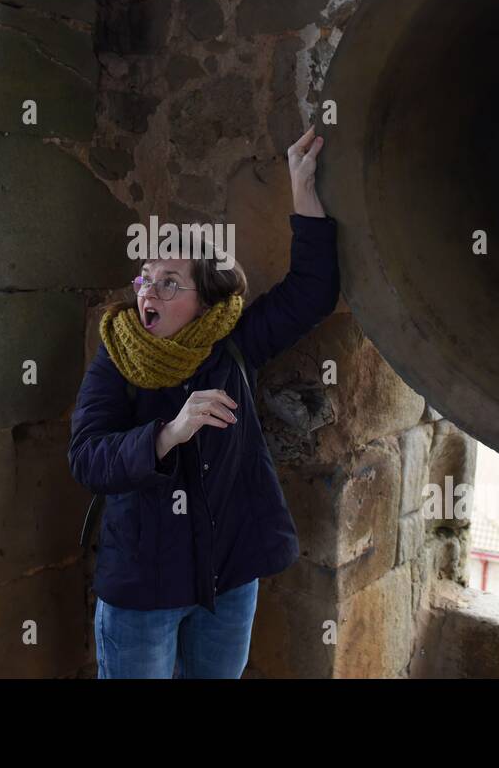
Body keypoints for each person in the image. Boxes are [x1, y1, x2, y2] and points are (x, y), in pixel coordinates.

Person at [68, 127, 340, 678]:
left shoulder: (231, 347)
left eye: (170, 282)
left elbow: (311, 291)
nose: (148, 291)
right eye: (146, 279)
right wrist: (168, 433)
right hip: (144, 588)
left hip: (228, 579)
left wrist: (303, 189)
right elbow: (87, 458)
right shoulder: (117, 356)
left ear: (205, 302)